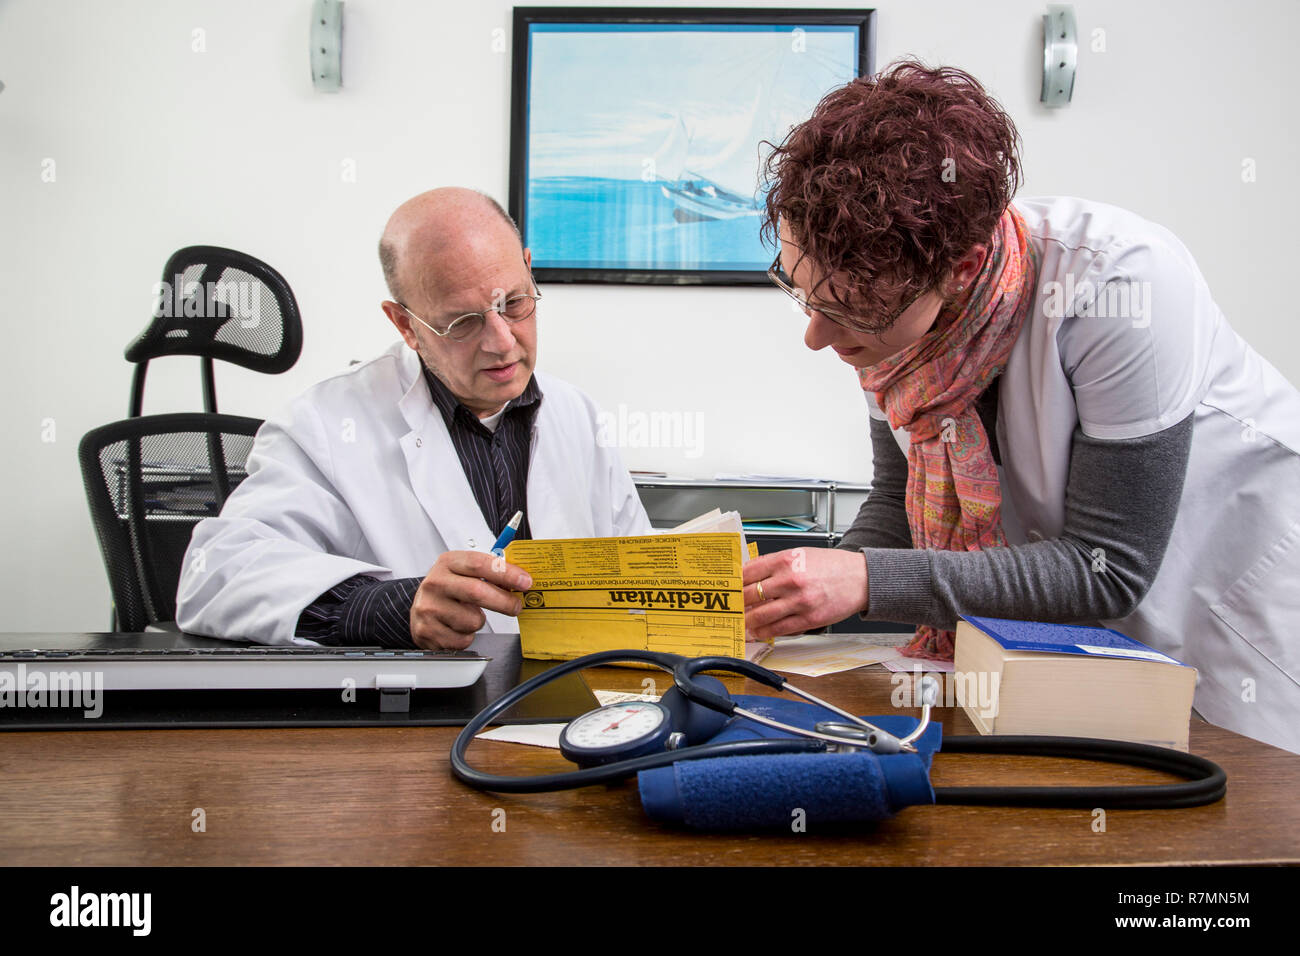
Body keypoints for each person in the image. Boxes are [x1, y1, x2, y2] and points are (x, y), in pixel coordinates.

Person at [742, 60, 1300, 754]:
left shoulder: (1121, 287)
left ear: (964, 269)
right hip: (1065, 650)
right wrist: (802, 597)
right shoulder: (901, 327)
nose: (815, 338)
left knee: (1243, 822)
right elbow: (896, 502)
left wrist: (860, 580)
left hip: (1232, 614)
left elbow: (1107, 567)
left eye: (848, 311)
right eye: (802, 293)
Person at [176, 188, 652, 649]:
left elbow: (636, 562)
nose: (502, 341)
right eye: (462, 322)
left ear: (528, 270)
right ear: (405, 324)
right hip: (418, 715)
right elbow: (217, 577)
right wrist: (393, 607)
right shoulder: (323, 425)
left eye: (514, 303)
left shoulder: (576, 414)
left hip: (569, 708)